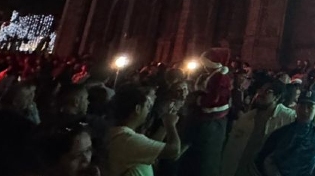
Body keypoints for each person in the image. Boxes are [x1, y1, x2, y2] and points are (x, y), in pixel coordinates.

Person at [220, 79, 296, 176]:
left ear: (277, 97)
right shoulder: (246, 118)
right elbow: (230, 149)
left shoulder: (288, 118)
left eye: (268, 92)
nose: (261, 94)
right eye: (261, 90)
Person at [106, 84, 182, 176]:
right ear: (137, 109)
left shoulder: (119, 135)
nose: (148, 111)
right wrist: (170, 124)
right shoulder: (127, 139)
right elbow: (174, 150)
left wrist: (163, 125)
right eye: (147, 107)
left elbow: (151, 147)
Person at [184, 48, 233, 176]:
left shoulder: (219, 77)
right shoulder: (210, 75)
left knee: (208, 155)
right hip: (206, 117)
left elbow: (214, 98)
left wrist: (198, 99)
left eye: (206, 63)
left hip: (212, 119)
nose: (204, 66)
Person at [258, 89, 315, 176]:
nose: (305, 110)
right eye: (302, 106)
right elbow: (263, 158)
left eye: (310, 107)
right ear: (296, 107)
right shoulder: (282, 132)